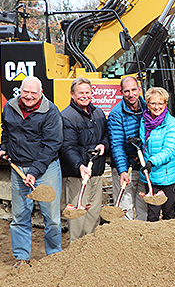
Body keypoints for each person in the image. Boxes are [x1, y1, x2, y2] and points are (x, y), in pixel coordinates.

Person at [0, 76, 63, 268]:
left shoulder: (51, 112)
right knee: (20, 215)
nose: (28, 96)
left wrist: (34, 171)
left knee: (51, 217)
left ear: (41, 93)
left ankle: (54, 256)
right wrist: (3, 147)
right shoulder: (10, 107)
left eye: (33, 93)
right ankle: (22, 257)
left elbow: (52, 145)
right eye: (25, 91)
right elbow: (7, 131)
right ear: (20, 90)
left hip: (46, 169)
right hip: (18, 167)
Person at [60, 78, 109, 242]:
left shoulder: (98, 113)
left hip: (96, 171)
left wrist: (103, 144)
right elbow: (67, 147)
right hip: (77, 175)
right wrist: (80, 166)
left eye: (87, 92)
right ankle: (76, 249)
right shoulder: (67, 116)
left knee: (93, 213)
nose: (85, 96)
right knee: (78, 214)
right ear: (72, 94)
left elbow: (106, 136)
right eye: (80, 93)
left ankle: (89, 250)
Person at [108, 76, 147, 220]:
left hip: (142, 166)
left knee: (144, 207)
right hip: (125, 166)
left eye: (134, 90)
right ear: (121, 92)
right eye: (127, 91)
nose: (131, 94)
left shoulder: (148, 108)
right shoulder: (116, 114)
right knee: (125, 208)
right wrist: (122, 170)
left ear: (139, 89)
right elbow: (117, 144)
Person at [140, 87, 175, 221]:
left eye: (160, 103)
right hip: (150, 176)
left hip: (167, 176)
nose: (156, 107)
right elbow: (145, 146)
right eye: (153, 103)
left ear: (165, 104)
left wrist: (152, 162)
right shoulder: (144, 121)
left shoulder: (171, 123)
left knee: (168, 215)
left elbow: (170, 150)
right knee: (152, 216)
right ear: (147, 104)